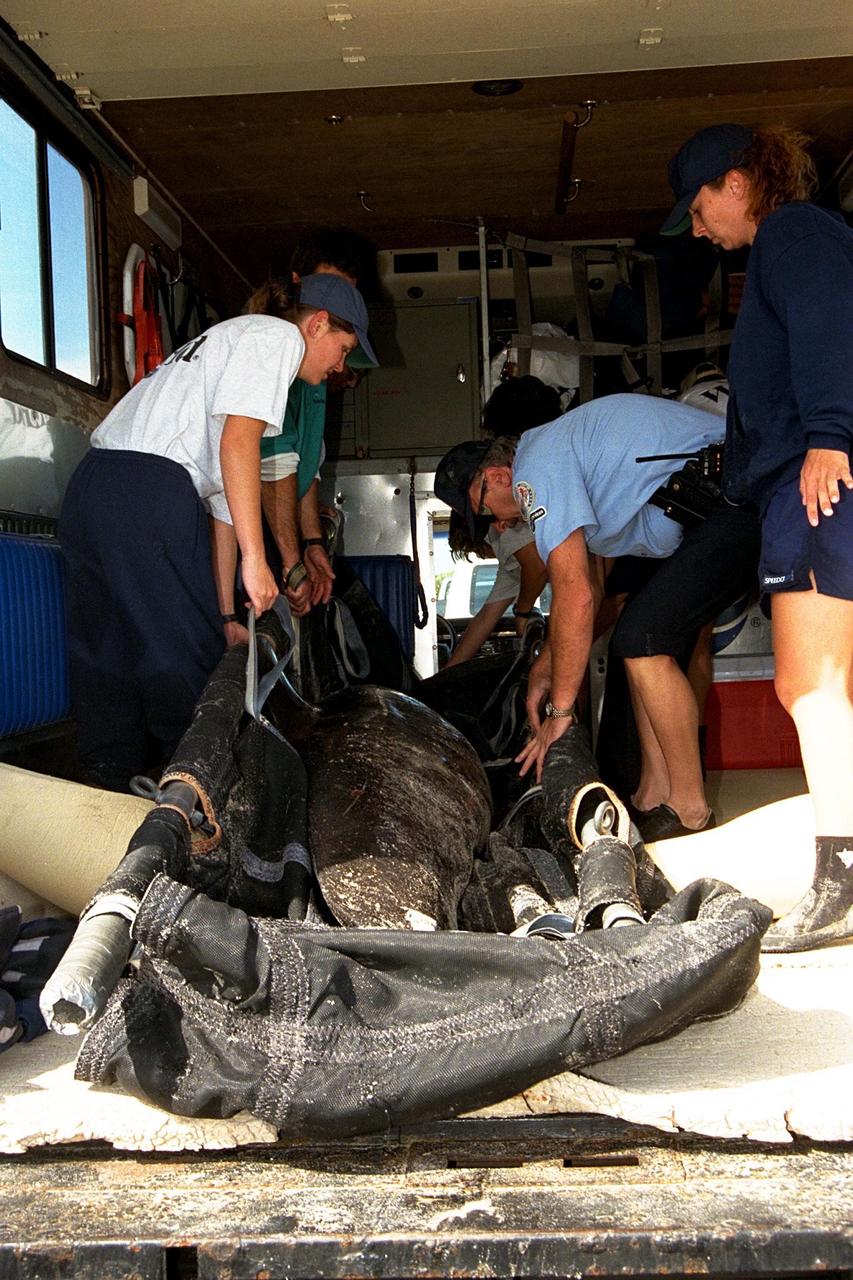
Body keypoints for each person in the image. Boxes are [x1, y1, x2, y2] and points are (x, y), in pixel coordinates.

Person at [59, 272, 376, 793]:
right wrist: (257, 559)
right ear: (317, 325)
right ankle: (196, 812)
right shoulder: (276, 339)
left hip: (93, 486)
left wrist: (226, 614)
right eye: (342, 349)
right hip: (148, 490)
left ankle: (108, 793)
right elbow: (238, 445)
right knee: (184, 672)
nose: (340, 366)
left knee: (107, 660)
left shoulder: (231, 345)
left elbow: (227, 502)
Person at [663, 123, 853, 947]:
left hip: (814, 480)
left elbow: (828, 324)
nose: (699, 229)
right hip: (799, 478)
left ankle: (841, 884)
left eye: (700, 209)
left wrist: (829, 433)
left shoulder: (792, 232)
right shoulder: (792, 239)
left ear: (736, 184)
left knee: (809, 688)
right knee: (823, 687)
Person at [434, 394, 761, 835]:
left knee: (643, 638)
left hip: (736, 495)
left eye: (485, 509)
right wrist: (545, 665)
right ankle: (652, 795)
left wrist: (561, 714)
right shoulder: (558, 460)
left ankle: (690, 810)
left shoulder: (535, 468)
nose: (496, 524)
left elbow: (577, 596)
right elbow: (594, 593)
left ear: (497, 475)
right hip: (718, 507)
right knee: (636, 635)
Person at [258, 229, 377, 617]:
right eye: (329, 288)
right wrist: (292, 564)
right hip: (259, 521)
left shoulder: (314, 371)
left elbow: (304, 459)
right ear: (299, 286)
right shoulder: (271, 356)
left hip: (284, 526)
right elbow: (273, 465)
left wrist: (312, 542)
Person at [440, 377, 558, 668]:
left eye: (488, 515)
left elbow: (536, 566)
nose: (500, 524)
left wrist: (523, 609)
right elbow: (484, 619)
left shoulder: (509, 530)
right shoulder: (510, 563)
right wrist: (443, 680)